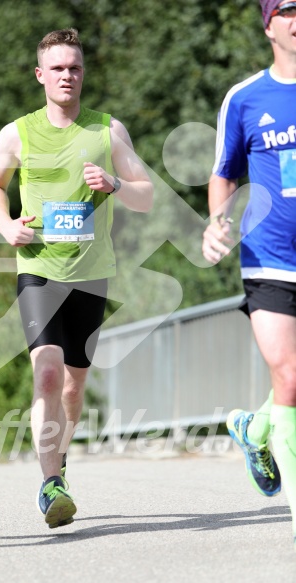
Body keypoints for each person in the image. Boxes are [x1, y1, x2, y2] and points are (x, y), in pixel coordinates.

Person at [0, 28, 153, 529]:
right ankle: (50, 482)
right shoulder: (17, 132)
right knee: (49, 374)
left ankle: (59, 460)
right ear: (40, 75)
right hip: (38, 269)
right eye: (57, 68)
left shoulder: (107, 131)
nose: (67, 76)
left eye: (74, 68)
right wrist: (6, 225)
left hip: (92, 274)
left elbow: (146, 195)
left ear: (83, 73)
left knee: (74, 388)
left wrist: (117, 183)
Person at [202, 0, 296, 548]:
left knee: (293, 381)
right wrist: (218, 222)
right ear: (268, 24)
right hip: (269, 255)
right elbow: (223, 173)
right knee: (288, 376)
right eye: (287, 8)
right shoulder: (244, 98)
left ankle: (253, 429)